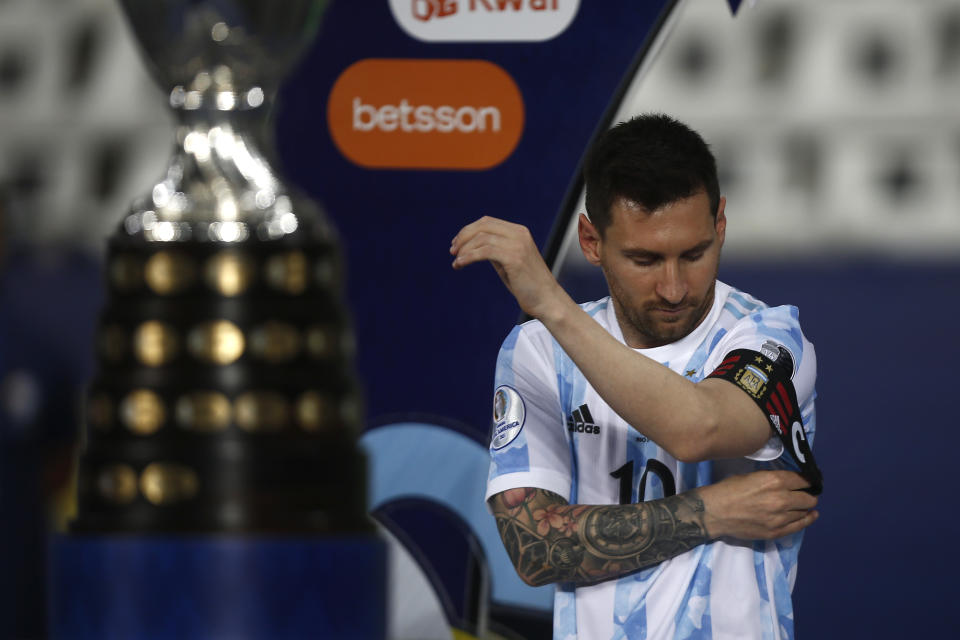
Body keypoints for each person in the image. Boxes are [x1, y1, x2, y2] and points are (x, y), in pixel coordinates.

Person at [450, 114, 820, 639]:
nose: (673, 288)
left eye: (694, 254)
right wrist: (710, 511)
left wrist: (549, 301)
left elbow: (699, 429)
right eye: (644, 259)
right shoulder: (539, 350)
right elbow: (536, 550)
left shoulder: (772, 339)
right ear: (591, 240)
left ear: (720, 224)